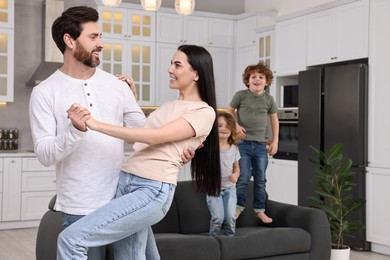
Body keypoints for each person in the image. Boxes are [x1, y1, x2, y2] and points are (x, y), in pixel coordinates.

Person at [29, 6, 194, 259]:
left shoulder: (116, 86)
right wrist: (74, 130)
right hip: (80, 205)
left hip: (124, 200)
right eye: (93, 37)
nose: (101, 44)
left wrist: (176, 151)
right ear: (69, 40)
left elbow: (146, 134)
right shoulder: (45, 92)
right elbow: (44, 155)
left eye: (101, 37)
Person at [56, 44, 221, 260]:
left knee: (71, 239)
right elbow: (144, 135)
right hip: (127, 182)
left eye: (177, 65)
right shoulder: (169, 105)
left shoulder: (203, 111)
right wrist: (130, 99)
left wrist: (95, 124)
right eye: (171, 63)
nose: (170, 69)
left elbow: (153, 137)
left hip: (151, 190)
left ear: (196, 73)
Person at [226, 61, 279, 224]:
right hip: (243, 145)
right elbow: (228, 112)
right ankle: (239, 206)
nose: (257, 79)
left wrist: (275, 141)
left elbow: (275, 121)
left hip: (262, 146)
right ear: (247, 80)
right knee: (243, 177)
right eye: (253, 76)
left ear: (267, 81)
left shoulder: (269, 99)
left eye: (261, 77)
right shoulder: (241, 96)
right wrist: (235, 124)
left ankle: (259, 210)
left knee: (261, 179)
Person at [206, 112, 240, 237]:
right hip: (213, 190)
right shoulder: (210, 148)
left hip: (230, 189)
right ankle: (213, 243)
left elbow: (236, 167)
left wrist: (236, 175)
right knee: (218, 219)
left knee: (231, 218)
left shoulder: (234, 149)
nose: (223, 128)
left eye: (227, 126)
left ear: (232, 130)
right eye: (219, 126)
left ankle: (230, 244)